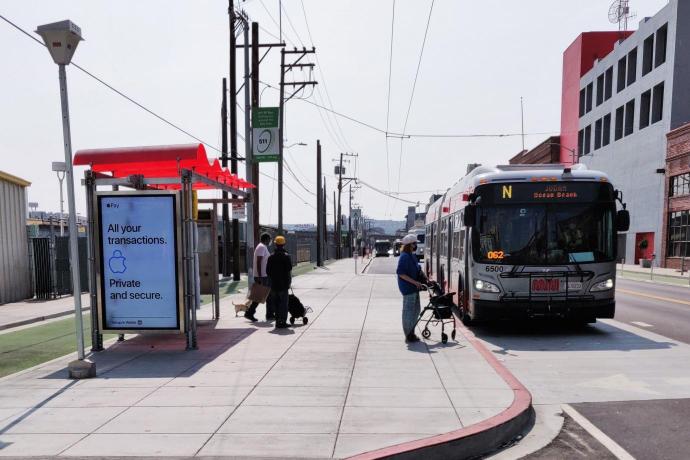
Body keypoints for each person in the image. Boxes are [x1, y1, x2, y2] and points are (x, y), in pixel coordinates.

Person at [396, 233, 426, 342]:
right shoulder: (404, 256)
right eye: (414, 243)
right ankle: (409, 334)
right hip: (408, 288)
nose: (416, 245)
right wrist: (414, 282)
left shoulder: (411, 255)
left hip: (414, 287)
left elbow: (417, 268)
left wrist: (425, 279)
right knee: (409, 311)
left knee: (416, 310)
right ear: (410, 245)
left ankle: (411, 332)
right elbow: (400, 273)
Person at [266, 235, 293, 329]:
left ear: (275, 244)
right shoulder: (286, 256)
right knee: (284, 304)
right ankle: (283, 321)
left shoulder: (271, 257)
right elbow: (289, 269)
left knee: (276, 303)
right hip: (284, 284)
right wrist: (289, 282)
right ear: (284, 244)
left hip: (273, 285)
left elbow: (267, 271)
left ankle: (277, 322)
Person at [245, 233, 272, 322]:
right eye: (269, 239)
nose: (270, 241)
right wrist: (259, 275)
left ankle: (269, 314)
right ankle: (250, 312)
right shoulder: (261, 247)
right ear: (266, 239)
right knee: (259, 296)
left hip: (264, 275)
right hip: (262, 276)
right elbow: (258, 262)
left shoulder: (263, 247)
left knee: (266, 295)